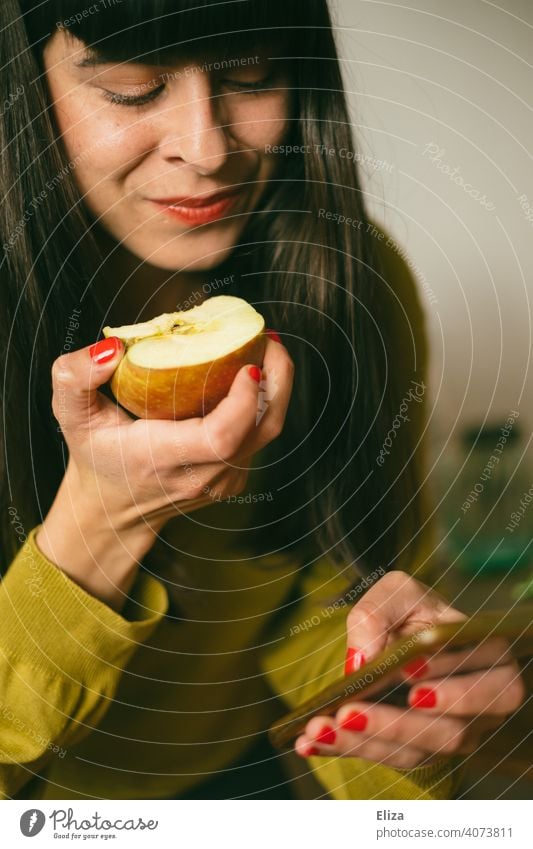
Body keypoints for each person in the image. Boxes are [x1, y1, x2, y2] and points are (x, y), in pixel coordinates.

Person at [0, 0, 525, 801]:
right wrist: (99, 524)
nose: (205, 151)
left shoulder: (348, 279)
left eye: (249, 72)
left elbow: (333, 604)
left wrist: (400, 716)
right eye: (133, 88)